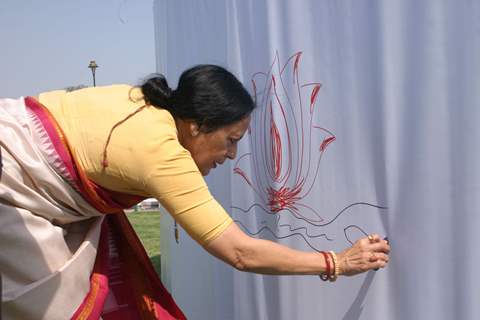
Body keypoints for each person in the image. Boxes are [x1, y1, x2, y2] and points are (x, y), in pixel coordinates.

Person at [0, 65, 390, 319]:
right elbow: (239, 251)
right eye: (231, 139)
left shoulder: (142, 103)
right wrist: (337, 262)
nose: (232, 154)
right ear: (198, 126)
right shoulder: (162, 152)